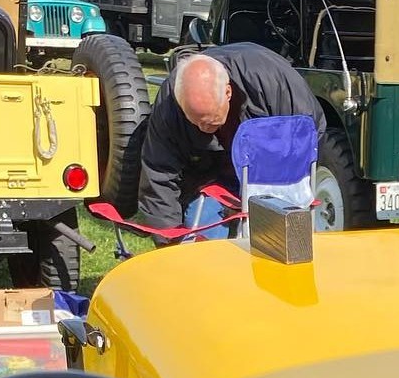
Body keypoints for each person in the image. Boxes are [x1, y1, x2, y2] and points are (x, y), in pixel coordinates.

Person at [136, 42, 326, 244]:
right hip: (214, 180)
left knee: (275, 247)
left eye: (210, 120)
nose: (202, 128)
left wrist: (279, 197)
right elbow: (159, 175)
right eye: (195, 121)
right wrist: (170, 245)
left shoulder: (275, 83)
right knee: (198, 243)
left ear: (228, 93)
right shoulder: (170, 104)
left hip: (271, 180)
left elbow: (310, 139)